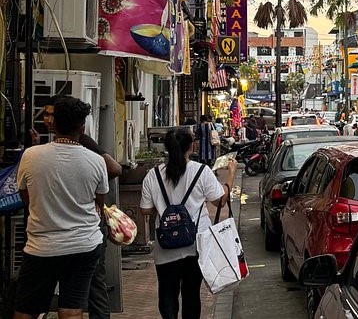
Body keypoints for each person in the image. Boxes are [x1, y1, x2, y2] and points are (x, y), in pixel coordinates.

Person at [13, 95, 109, 319]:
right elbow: (99, 202)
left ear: (54, 123)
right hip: (84, 244)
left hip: (42, 246)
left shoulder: (31, 155)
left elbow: (25, 196)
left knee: (26, 310)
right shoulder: (96, 161)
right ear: (82, 127)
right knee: (71, 310)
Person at [35, 97, 124, 319]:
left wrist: (87, 191)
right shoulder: (42, 149)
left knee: (93, 285)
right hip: (59, 232)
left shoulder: (82, 142)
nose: (48, 120)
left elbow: (114, 169)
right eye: (45, 114)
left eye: (52, 115)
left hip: (83, 230)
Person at [140, 128, 229, 319]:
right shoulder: (201, 171)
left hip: (165, 246)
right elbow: (220, 201)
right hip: (195, 245)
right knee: (191, 293)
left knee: (167, 293)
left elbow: (145, 210)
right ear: (191, 146)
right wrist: (231, 176)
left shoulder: (153, 175)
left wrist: (163, 208)